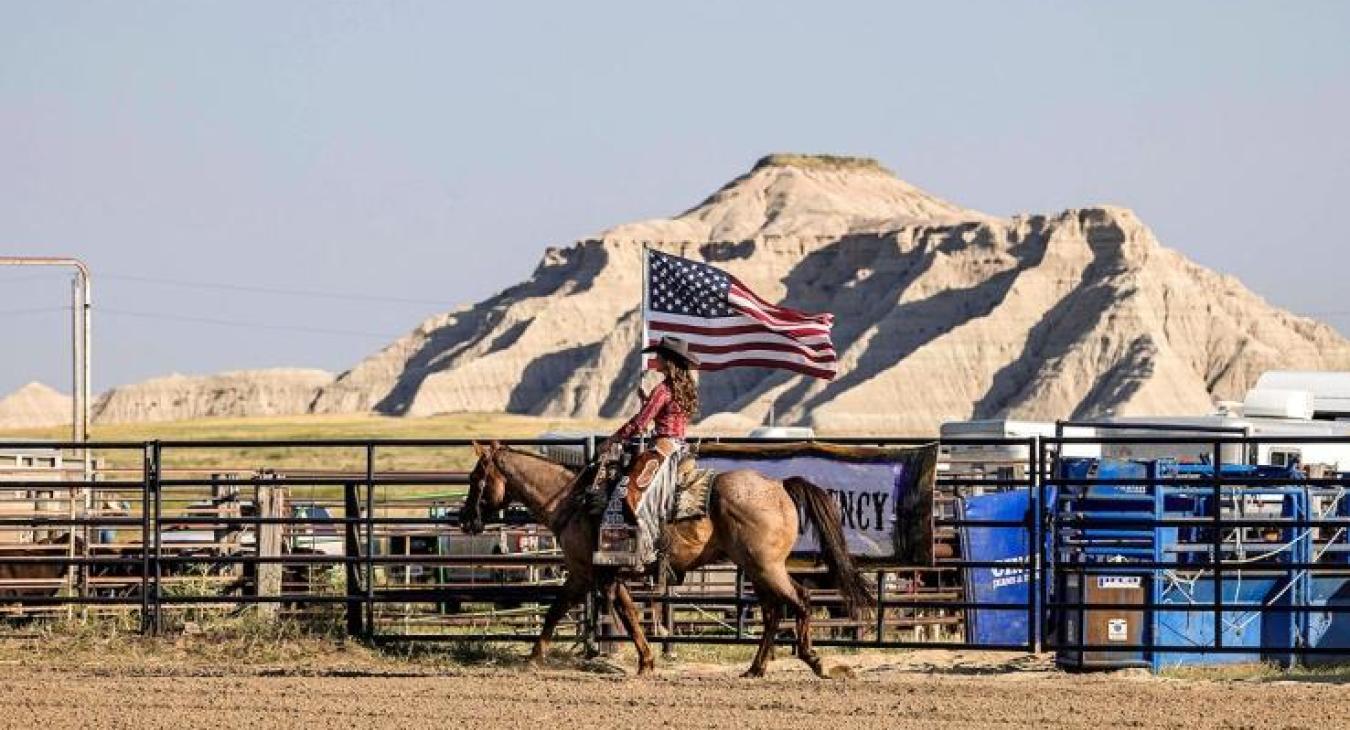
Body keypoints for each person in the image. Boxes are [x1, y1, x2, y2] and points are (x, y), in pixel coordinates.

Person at [592, 336, 699, 568]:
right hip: (680, 446)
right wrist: (649, 402)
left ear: (667, 361)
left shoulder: (662, 390)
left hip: (663, 448)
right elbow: (667, 416)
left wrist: (612, 440)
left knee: (624, 493)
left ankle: (630, 553)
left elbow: (640, 423)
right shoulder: (682, 389)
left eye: (659, 356)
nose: (655, 359)